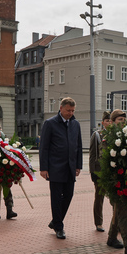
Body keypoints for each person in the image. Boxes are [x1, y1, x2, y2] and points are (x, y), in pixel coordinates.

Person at [39, 97, 82, 239]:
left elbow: (79, 146)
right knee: (56, 198)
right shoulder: (50, 123)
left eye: (73, 111)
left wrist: (78, 165)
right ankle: (59, 227)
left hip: (70, 167)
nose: (70, 113)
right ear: (61, 108)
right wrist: (44, 168)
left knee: (68, 196)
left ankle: (55, 221)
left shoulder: (76, 124)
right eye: (68, 110)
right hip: (55, 167)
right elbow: (43, 147)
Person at [105, 110, 127, 254]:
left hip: (125, 179)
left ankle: (112, 238)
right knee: (122, 211)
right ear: (113, 121)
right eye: (120, 119)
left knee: (118, 211)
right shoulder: (107, 138)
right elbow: (105, 160)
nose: (123, 122)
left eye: (124, 120)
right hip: (113, 180)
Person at [89, 111, 112, 232]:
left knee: (116, 199)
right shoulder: (97, 135)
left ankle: (116, 223)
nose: (109, 123)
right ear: (103, 123)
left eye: (110, 121)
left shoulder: (116, 135)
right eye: (107, 121)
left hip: (113, 172)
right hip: (100, 172)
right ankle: (98, 223)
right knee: (99, 197)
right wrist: (93, 172)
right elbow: (92, 155)